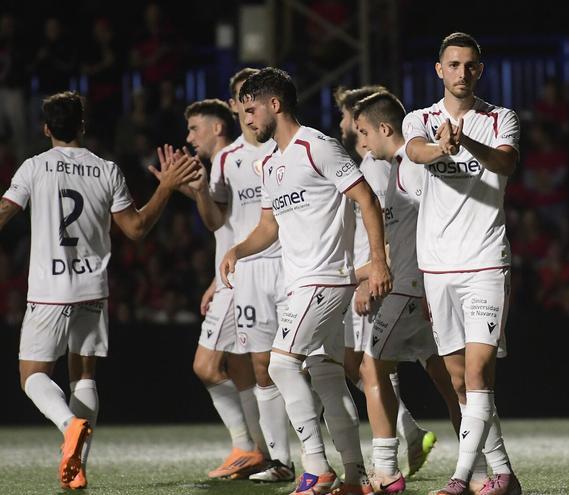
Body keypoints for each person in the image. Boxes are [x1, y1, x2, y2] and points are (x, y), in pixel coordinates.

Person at [0, 91, 199, 489]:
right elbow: (136, 229)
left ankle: (68, 425)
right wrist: (165, 188)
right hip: (92, 288)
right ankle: (77, 467)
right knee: (84, 375)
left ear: (45, 128)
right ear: (82, 126)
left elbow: (5, 212)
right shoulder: (106, 170)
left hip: (49, 289)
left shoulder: (34, 167)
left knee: (32, 377)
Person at [221, 67, 391, 495]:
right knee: (326, 375)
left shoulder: (318, 146)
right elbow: (268, 227)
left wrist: (378, 263)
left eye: (251, 109)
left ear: (274, 104)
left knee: (280, 364)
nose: (247, 118)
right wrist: (238, 250)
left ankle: (315, 466)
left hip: (325, 278)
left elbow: (367, 199)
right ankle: (354, 476)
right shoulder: (270, 163)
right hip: (300, 283)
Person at [403, 32, 522, 495]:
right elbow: (416, 151)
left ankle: (460, 478)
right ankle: (503, 474)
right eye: (453, 65)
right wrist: (443, 148)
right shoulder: (420, 118)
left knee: (477, 374)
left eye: (470, 65)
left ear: (480, 70)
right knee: (459, 382)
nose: (462, 73)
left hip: (485, 262)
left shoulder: (500, 118)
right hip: (437, 267)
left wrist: (465, 142)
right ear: (439, 70)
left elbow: (506, 163)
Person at [353, 90, 464, 492]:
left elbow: (437, 223)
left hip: (413, 288)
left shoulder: (413, 168)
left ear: (385, 128)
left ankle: (386, 471)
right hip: (418, 289)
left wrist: (428, 284)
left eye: (364, 133)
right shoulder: (395, 168)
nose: (362, 142)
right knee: (454, 385)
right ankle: (477, 469)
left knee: (370, 368)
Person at [159, 95, 273, 480]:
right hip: (230, 276)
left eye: (195, 129)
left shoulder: (238, 158)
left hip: (244, 277)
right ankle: (261, 452)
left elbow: (225, 224)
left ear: (217, 127)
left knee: (207, 366)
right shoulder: (225, 164)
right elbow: (224, 225)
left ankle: (248, 446)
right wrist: (191, 189)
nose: (190, 137)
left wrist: (195, 190)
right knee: (242, 369)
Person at [334, 85, 439, 478]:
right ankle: (424, 441)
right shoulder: (383, 164)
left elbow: (392, 228)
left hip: (391, 281)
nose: (345, 127)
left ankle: (387, 465)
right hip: (396, 279)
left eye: (349, 120)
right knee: (433, 371)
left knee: (370, 365)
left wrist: (372, 273)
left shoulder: (381, 168)